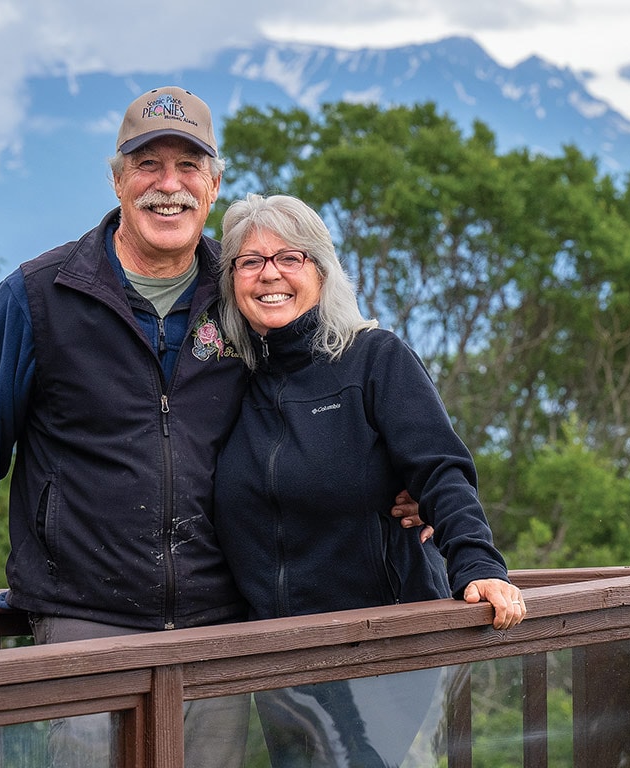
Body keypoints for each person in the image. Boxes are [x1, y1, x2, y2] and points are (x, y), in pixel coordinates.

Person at [0, 85, 254, 767]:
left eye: (188, 167)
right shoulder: (39, 295)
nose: (169, 186)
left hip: (218, 626)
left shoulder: (245, 293)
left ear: (215, 184)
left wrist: (401, 490)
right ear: (116, 180)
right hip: (85, 621)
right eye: (147, 165)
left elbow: (318, 405)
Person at [213, 193, 526, 767]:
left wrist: (478, 564)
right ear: (232, 280)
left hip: (385, 647)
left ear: (323, 271)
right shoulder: (232, 381)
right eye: (250, 261)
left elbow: (439, 468)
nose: (270, 273)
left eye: (291, 257)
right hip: (279, 661)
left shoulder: (374, 359)